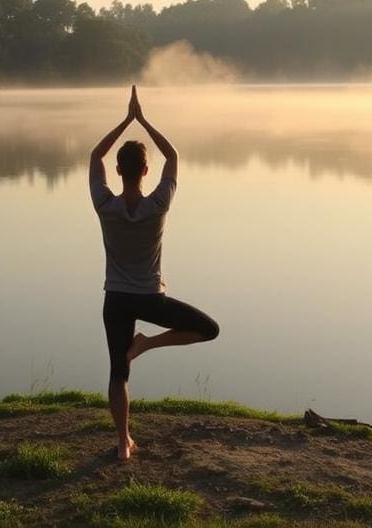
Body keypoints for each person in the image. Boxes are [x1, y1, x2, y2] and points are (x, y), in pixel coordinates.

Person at [89, 85, 220, 461]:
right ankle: (146, 344)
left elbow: (95, 154)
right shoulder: (158, 205)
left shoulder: (103, 204)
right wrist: (143, 120)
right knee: (208, 329)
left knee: (118, 372)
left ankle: (122, 442)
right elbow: (173, 155)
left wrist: (125, 120)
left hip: (115, 299)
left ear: (118, 170)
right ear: (146, 171)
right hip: (150, 297)